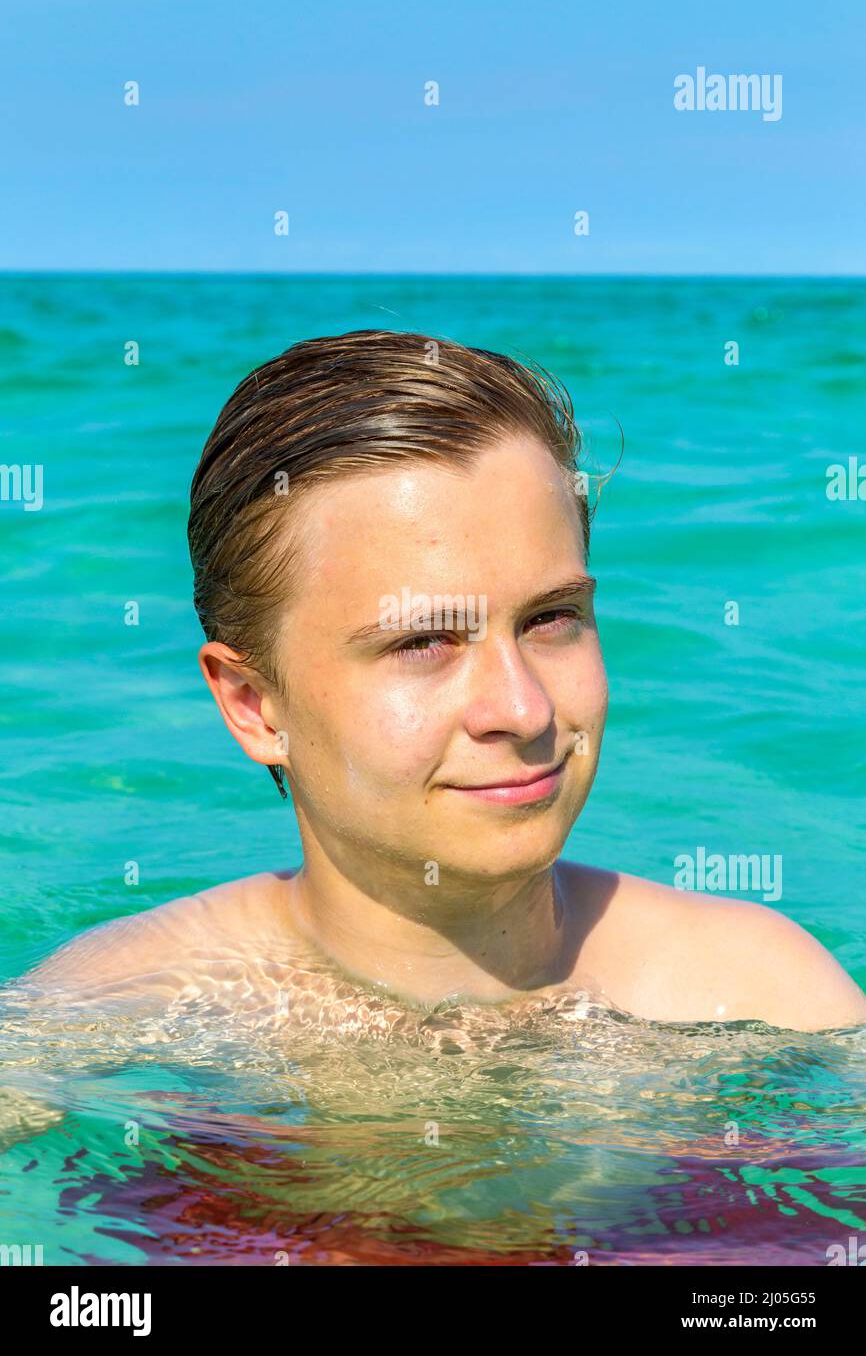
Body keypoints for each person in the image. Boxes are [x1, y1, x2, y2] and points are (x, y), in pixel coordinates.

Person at [25, 330, 866, 1032]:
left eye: (550, 619)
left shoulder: (754, 1000)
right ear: (253, 705)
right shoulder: (112, 1020)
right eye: (423, 641)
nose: (523, 708)